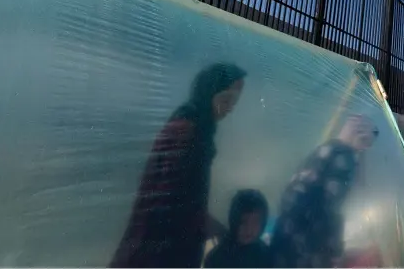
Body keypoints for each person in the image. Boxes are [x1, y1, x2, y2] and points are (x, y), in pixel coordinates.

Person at [110, 63, 247, 268]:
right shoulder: (187, 132)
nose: (230, 109)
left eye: (234, 103)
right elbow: (174, 205)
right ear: (209, 93)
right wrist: (217, 230)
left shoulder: (194, 127)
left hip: (159, 247)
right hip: (159, 251)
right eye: (226, 99)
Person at [270, 115, 377, 268]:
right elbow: (329, 208)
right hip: (305, 248)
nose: (365, 148)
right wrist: (335, 251)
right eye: (366, 142)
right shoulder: (343, 158)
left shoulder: (325, 150)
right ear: (357, 133)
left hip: (285, 240)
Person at [204, 189, 273, 268]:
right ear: (234, 221)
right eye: (243, 222)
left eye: (255, 222)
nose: (249, 229)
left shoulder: (267, 255)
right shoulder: (215, 258)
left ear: (263, 223)